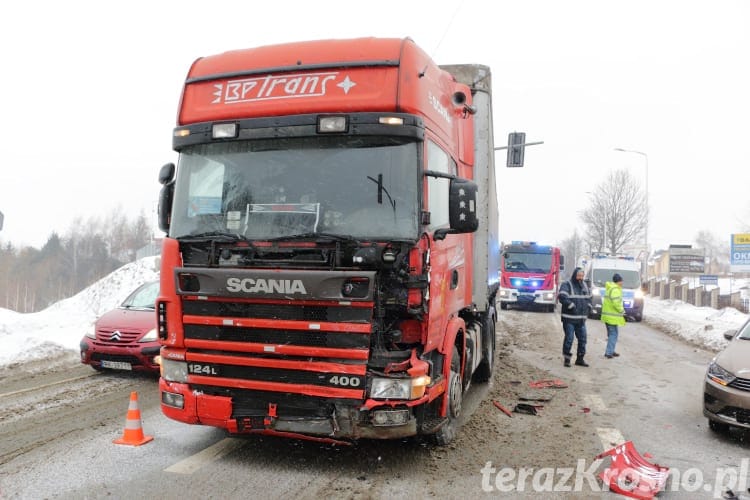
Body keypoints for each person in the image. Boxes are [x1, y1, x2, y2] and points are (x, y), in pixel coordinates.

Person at [558, 267, 593, 367]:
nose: (580, 278)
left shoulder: (585, 285)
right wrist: (571, 306)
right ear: (574, 275)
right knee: (569, 338)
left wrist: (589, 307)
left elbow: (589, 298)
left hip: (581, 319)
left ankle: (580, 359)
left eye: (582, 276)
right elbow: (562, 297)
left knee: (583, 339)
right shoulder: (567, 284)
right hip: (569, 318)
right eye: (579, 275)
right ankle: (567, 359)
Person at [601, 273, 626, 358]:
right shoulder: (615, 290)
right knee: (613, 334)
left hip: (608, 316)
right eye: (621, 280)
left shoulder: (610, 288)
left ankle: (611, 350)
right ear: (619, 281)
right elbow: (616, 303)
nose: (622, 282)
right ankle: (609, 352)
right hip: (611, 317)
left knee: (612, 334)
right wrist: (622, 311)